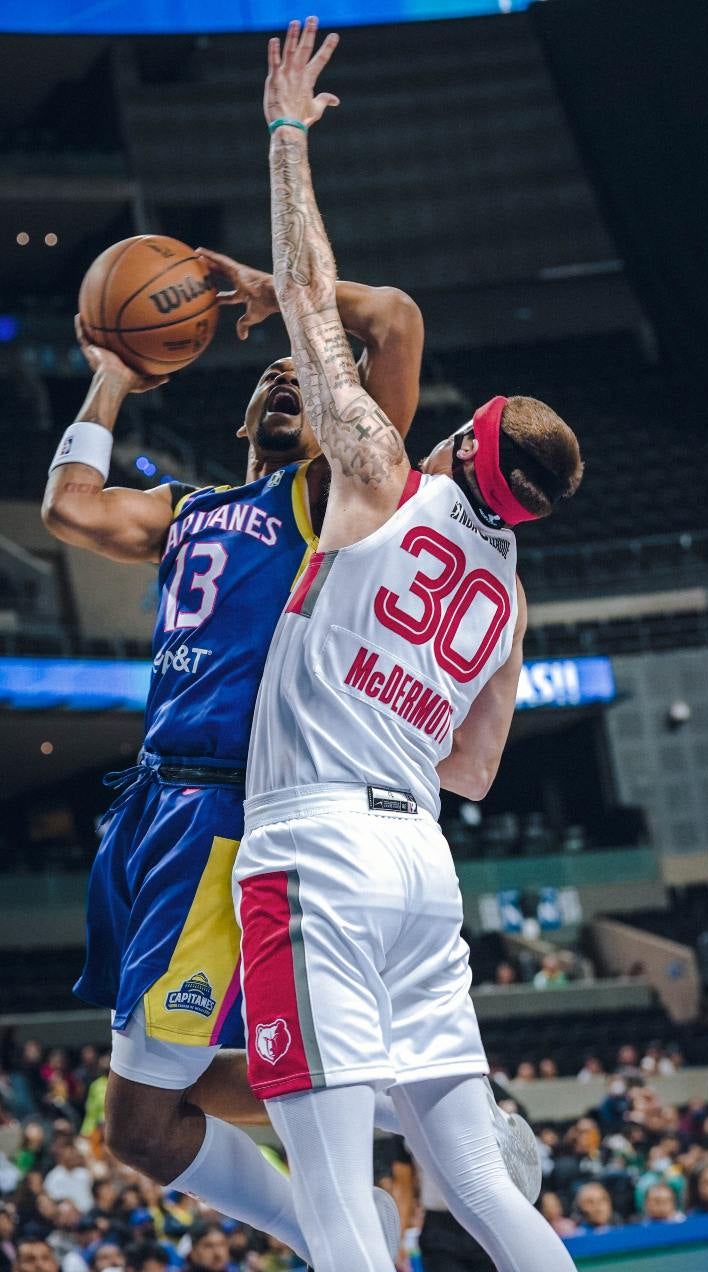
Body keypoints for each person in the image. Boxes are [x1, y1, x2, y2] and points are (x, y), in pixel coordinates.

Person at [233, 20, 583, 1271]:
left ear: (463, 442)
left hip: (313, 844)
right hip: (420, 865)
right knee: (481, 1189)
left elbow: (311, 293)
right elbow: (475, 773)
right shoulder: (511, 592)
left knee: (334, 1195)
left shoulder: (379, 474)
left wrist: (286, 138)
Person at [42, 239, 423, 1262]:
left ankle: (423, 1112)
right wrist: (110, 379)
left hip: (226, 814)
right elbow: (68, 507)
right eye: (277, 368)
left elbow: (390, 316)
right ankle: (396, 1145)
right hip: (150, 809)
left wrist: (282, 294)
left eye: (314, 369)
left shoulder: (335, 501)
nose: (295, 373)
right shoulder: (193, 513)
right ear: (243, 412)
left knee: (139, 1123)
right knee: (141, 1120)